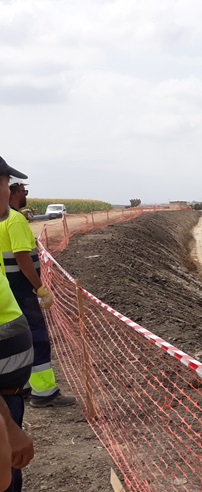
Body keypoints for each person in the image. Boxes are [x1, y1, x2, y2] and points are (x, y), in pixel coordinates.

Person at [0, 176, 75, 408]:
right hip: (23, 289)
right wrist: (39, 288)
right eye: (23, 192)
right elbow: (22, 257)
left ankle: (21, 385)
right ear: (11, 193)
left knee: (16, 340)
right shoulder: (15, 220)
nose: (25, 196)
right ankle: (44, 393)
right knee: (37, 338)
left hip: (9, 290)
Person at [0, 156, 35, 492]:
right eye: (8, 183)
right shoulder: (13, 222)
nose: (15, 191)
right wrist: (7, 426)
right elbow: (23, 258)